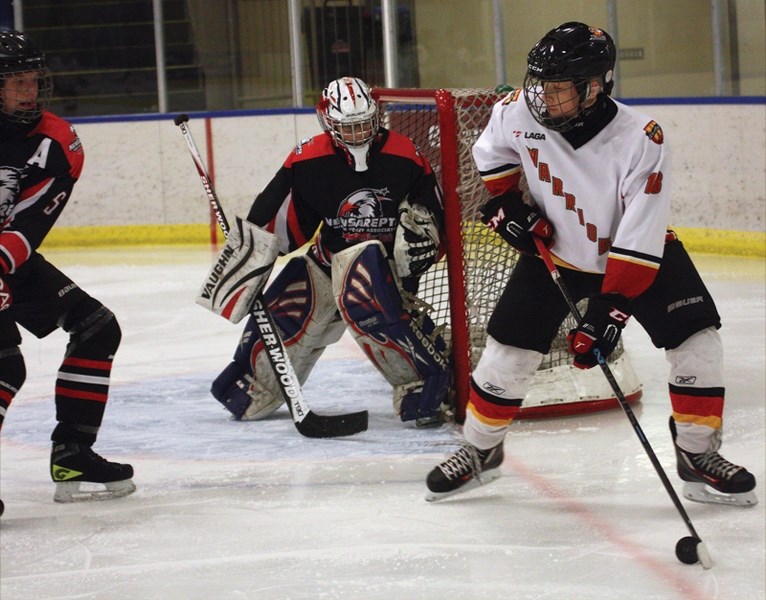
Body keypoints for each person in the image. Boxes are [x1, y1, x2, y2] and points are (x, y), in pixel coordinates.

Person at [425, 22, 757, 507]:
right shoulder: (517, 111)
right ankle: (480, 450)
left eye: (558, 90)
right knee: (508, 353)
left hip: (640, 256)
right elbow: (493, 158)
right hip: (557, 252)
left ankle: (697, 454)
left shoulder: (642, 137)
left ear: (595, 86)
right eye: (540, 85)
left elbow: (640, 235)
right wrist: (508, 206)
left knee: (698, 343)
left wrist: (609, 312)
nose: (542, 99)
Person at [201, 76, 450, 428]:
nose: (357, 134)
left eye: (364, 124)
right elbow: (276, 218)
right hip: (328, 257)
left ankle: (419, 384)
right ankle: (259, 384)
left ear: (376, 117)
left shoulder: (404, 154)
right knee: (290, 305)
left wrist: (421, 244)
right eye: (347, 127)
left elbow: (433, 215)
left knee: (365, 293)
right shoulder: (308, 159)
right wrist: (249, 260)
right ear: (327, 122)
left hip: (383, 267)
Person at [0, 30, 135, 513]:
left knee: (97, 328)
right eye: (15, 81)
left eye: (33, 80)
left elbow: (27, 224)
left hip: (5, 257)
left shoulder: (57, 142)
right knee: (4, 365)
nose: (29, 91)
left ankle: (73, 454)